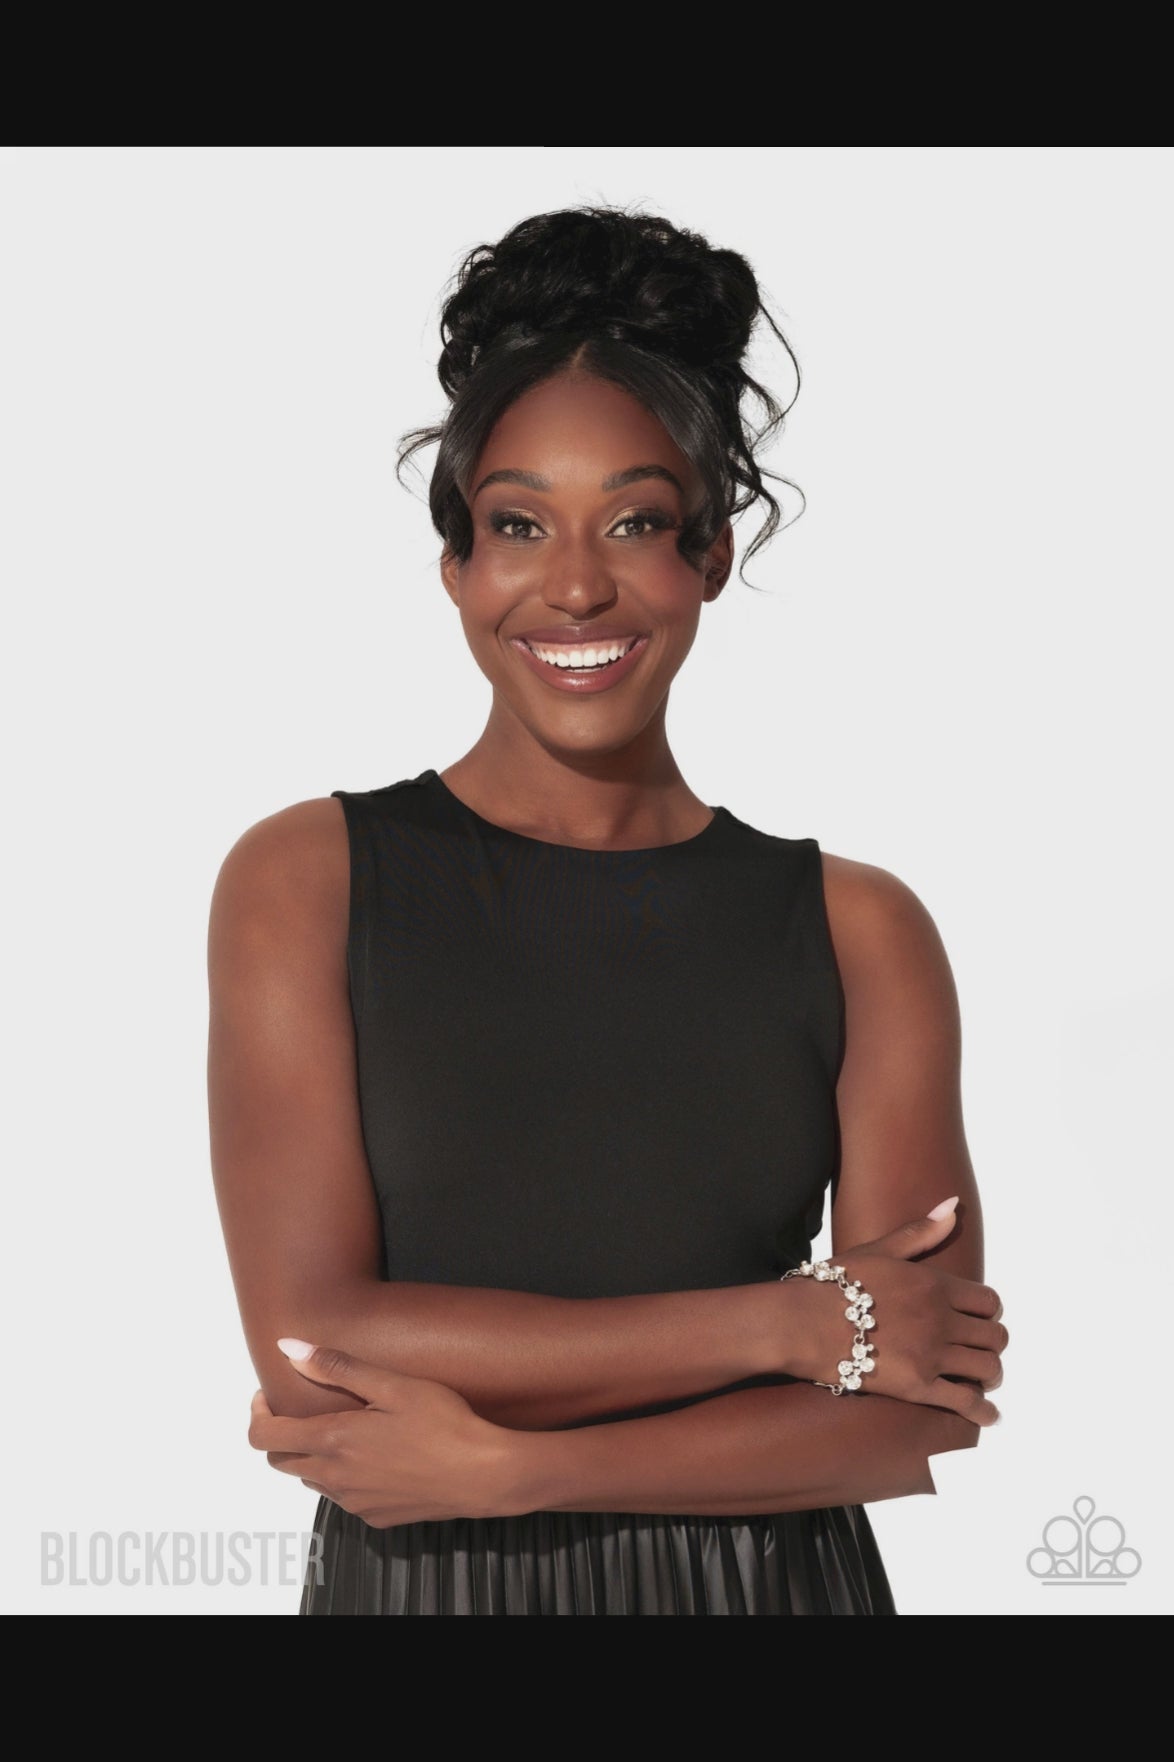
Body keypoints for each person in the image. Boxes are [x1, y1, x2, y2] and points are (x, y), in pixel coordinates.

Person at [206, 206, 1008, 1617]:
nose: (575, 585)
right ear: (456, 564)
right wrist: (789, 1324)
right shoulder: (309, 879)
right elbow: (314, 1347)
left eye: (635, 522)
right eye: (518, 524)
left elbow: (913, 1410)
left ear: (711, 554)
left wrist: (520, 1470)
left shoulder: (858, 929)